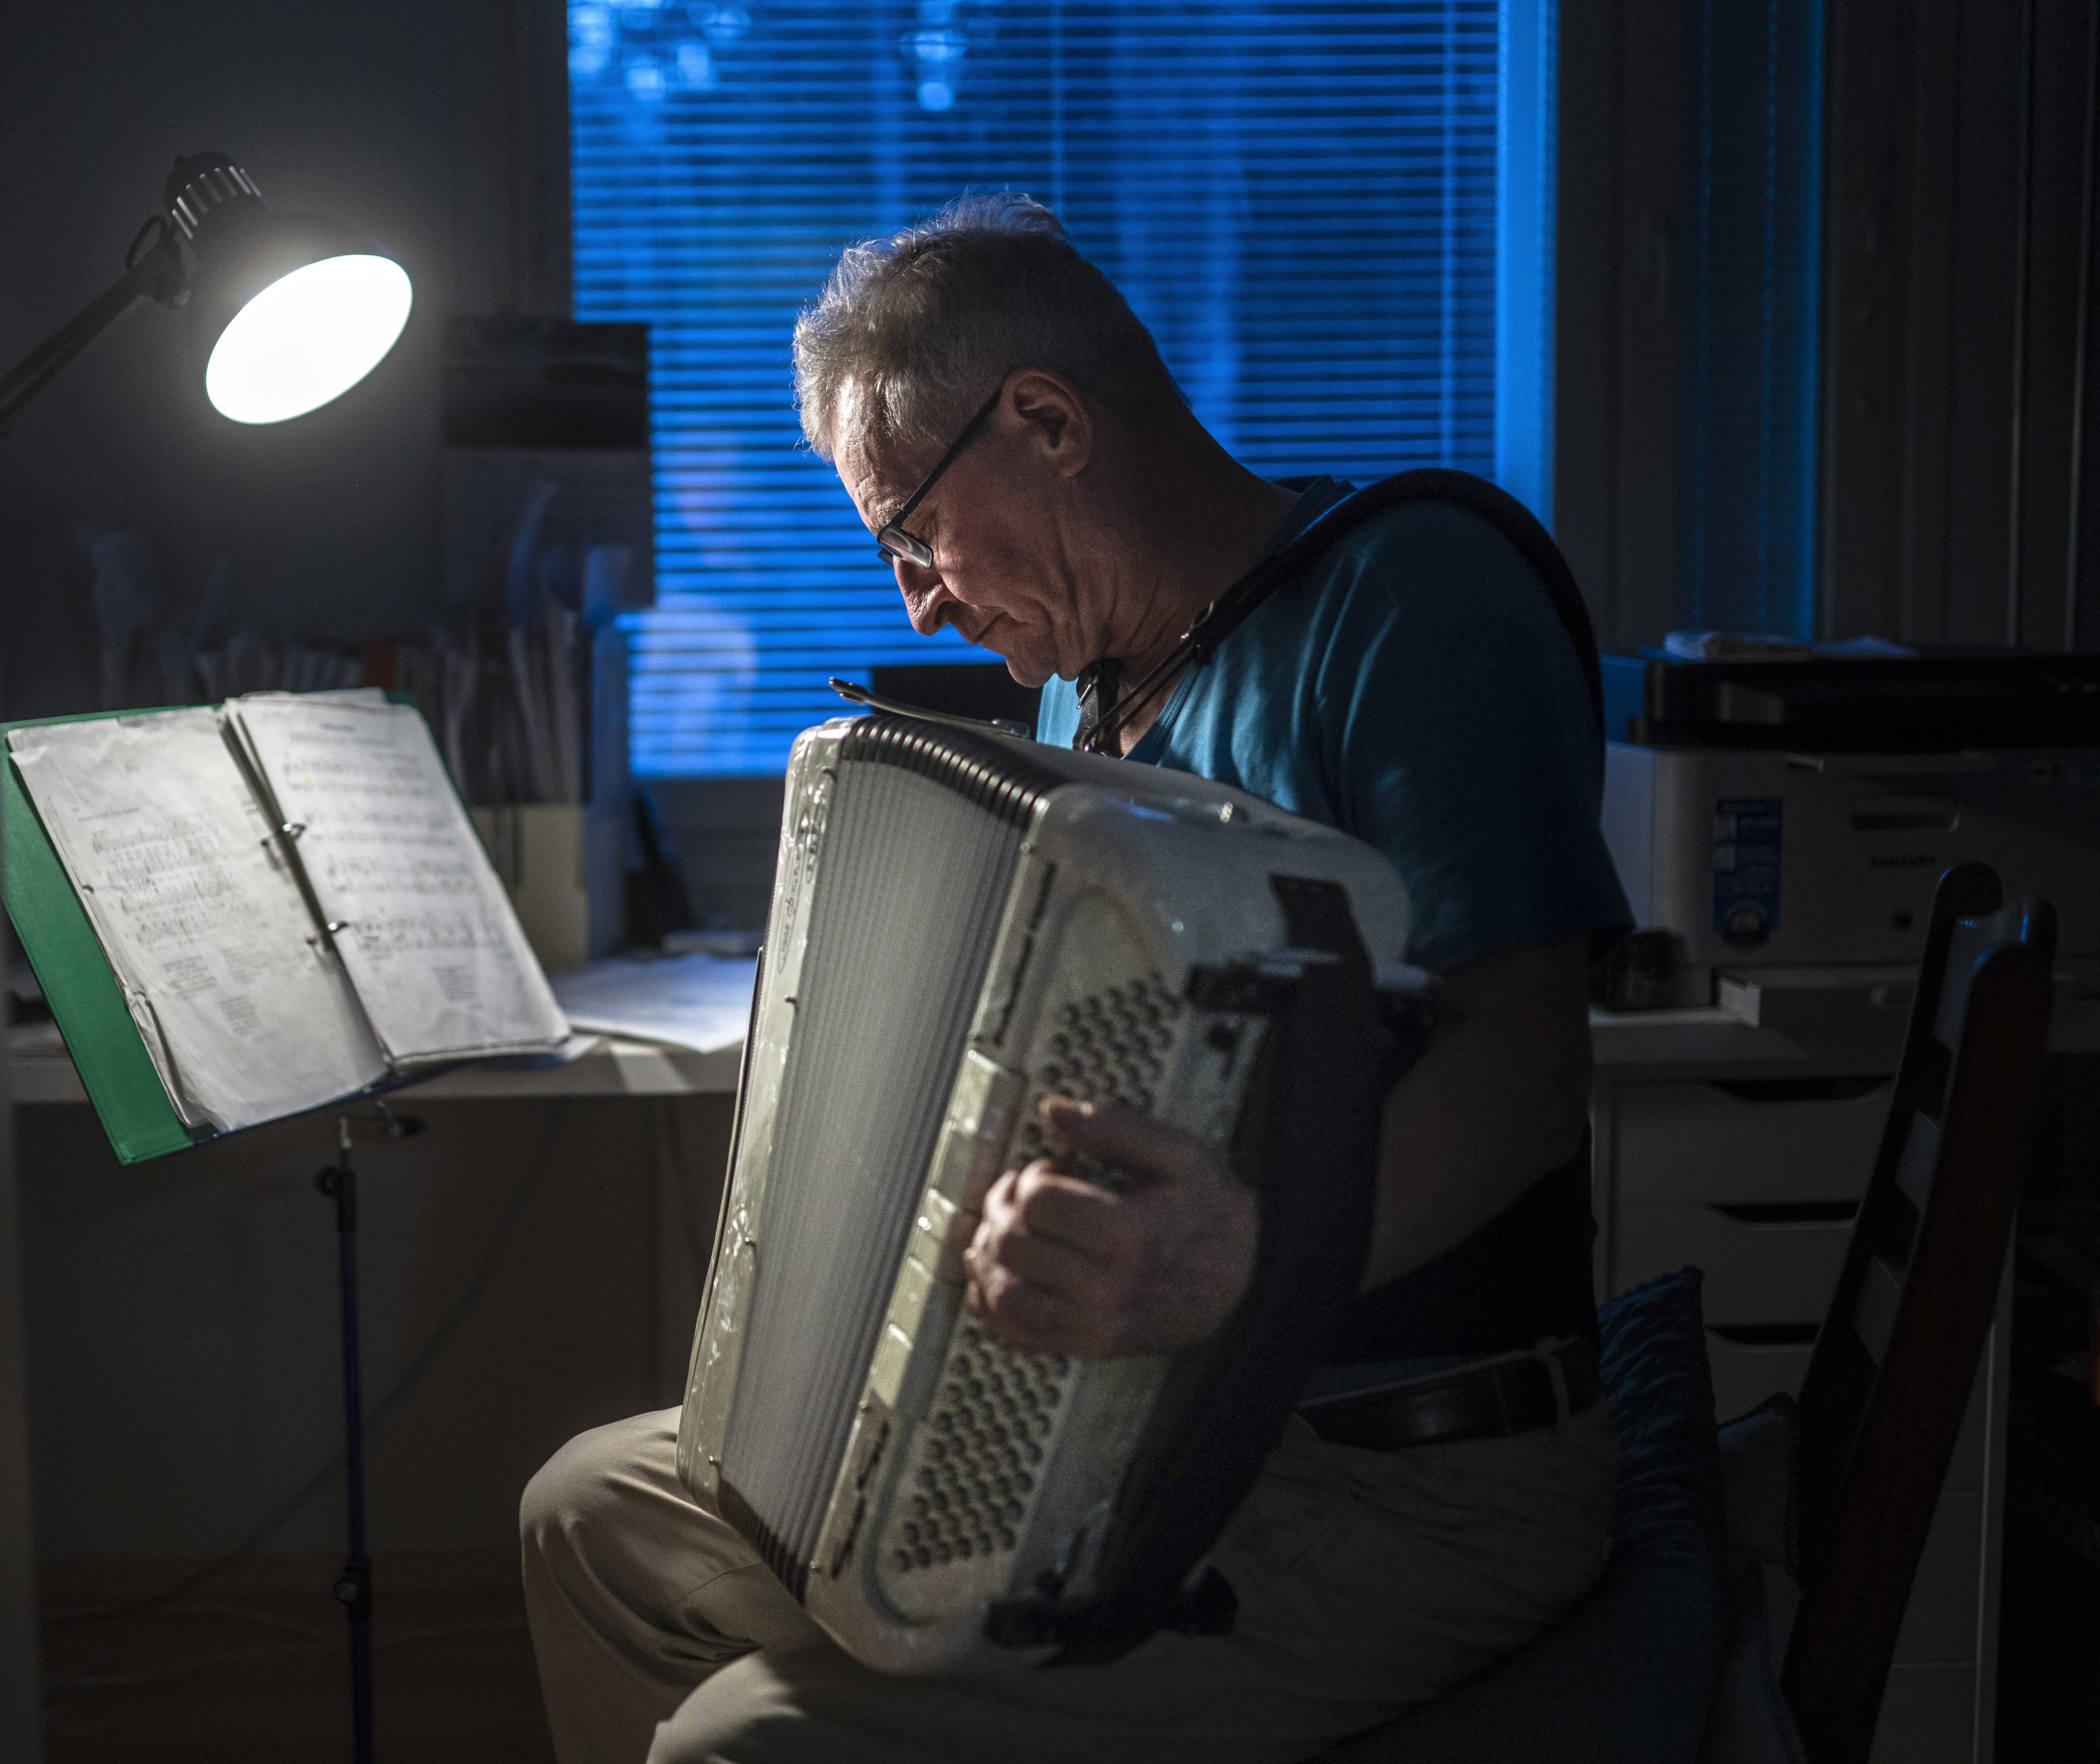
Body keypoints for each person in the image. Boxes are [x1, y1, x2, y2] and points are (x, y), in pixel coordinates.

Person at [521, 193, 1634, 1764]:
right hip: (1142, 1426)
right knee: (588, 1515)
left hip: (1399, 1468)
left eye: (911, 531)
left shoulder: (1411, 595)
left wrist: (1244, 1259)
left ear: (1043, 421)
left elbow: (1526, 1071)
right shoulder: (1084, 707)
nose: (915, 599)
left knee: (735, 1746)